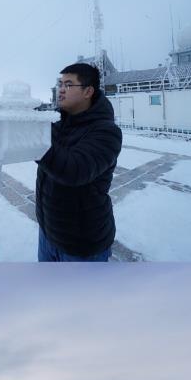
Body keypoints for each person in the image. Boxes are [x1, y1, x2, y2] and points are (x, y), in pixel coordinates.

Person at [36, 62, 122, 261]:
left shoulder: (106, 132)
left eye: (68, 84)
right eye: (60, 84)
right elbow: (24, 117)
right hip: (48, 234)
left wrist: (33, 138)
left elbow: (74, 170)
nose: (61, 90)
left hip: (82, 246)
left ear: (88, 91)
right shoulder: (58, 123)